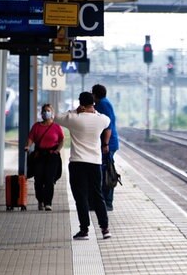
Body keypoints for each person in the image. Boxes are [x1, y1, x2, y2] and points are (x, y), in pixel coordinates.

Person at [54, 92, 112, 240]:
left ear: (80, 104)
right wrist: (95, 112)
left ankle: (84, 230)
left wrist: (75, 111)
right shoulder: (101, 119)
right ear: (93, 103)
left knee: (81, 197)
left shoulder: (74, 118)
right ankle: (105, 229)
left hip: (77, 163)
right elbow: (107, 121)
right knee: (98, 195)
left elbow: (56, 117)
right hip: (95, 163)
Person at [24, 104, 64, 211]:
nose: (46, 113)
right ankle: (40, 200)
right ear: (41, 114)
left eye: (48, 110)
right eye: (45, 111)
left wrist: (57, 150)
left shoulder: (56, 127)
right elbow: (31, 138)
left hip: (52, 156)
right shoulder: (36, 126)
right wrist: (28, 146)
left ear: (52, 113)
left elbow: (61, 140)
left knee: (49, 179)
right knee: (38, 179)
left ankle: (48, 202)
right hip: (39, 155)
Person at [92, 84, 119, 212]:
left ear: (95, 94)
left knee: (107, 171)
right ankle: (103, 202)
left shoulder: (103, 104)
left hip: (108, 144)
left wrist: (105, 144)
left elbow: (107, 125)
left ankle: (107, 203)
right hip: (107, 143)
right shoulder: (104, 103)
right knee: (103, 171)